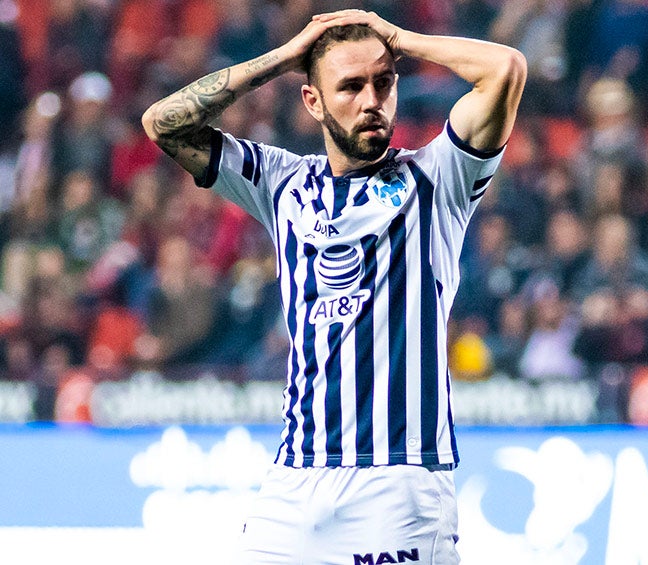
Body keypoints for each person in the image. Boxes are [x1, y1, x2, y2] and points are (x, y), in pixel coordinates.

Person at [141, 9, 526, 564]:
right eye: (350, 86)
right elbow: (163, 124)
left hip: (398, 483)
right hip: (294, 481)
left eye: (384, 82)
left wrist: (399, 39)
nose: (372, 100)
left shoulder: (437, 180)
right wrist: (282, 57)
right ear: (312, 102)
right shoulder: (281, 182)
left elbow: (506, 69)